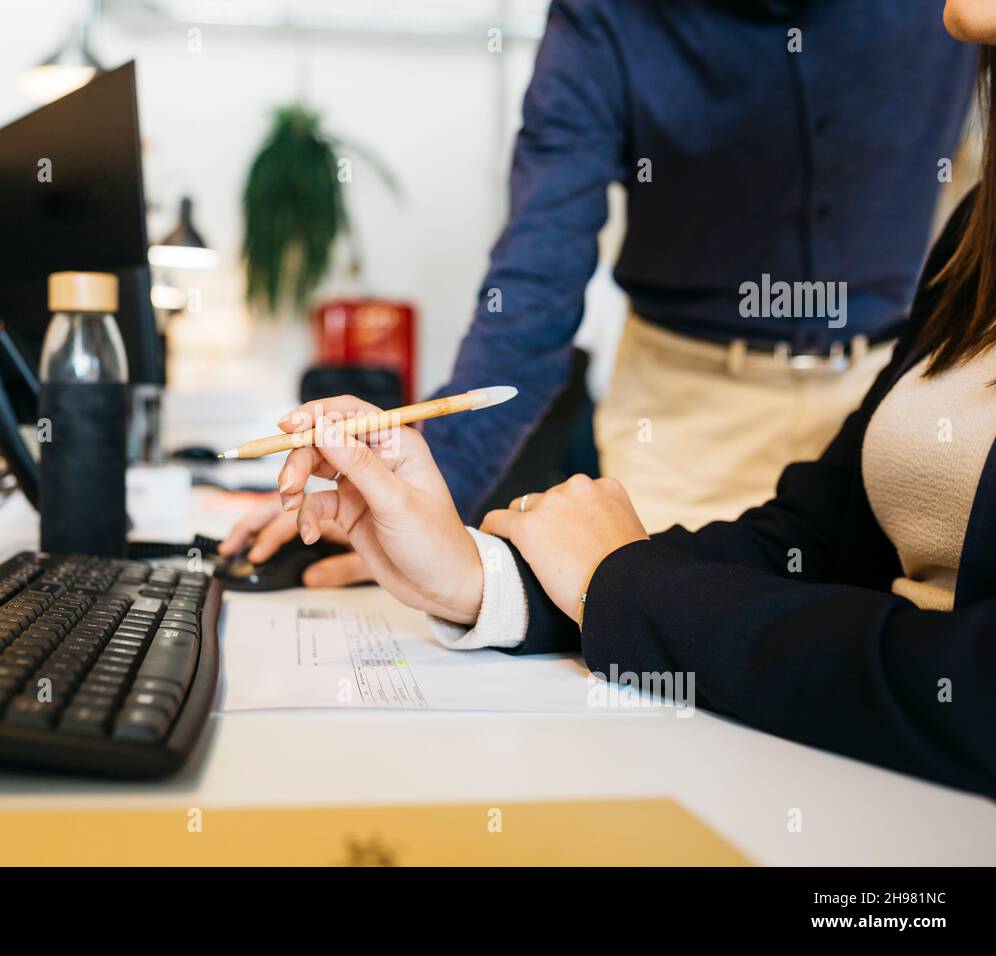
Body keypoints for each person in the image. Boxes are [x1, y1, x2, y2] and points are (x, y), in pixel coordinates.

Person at [267, 0, 996, 800]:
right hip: (699, 405)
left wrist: (624, 582)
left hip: (892, 375)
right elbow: (534, 291)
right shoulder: (608, 17)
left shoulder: (943, 22)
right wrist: (470, 561)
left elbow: (941, 684)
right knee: (655, 754)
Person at [222, 0, 976, 586]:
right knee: (651, 680)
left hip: (890, 405)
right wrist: (423, 495)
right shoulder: (606, 15)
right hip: (684, 421)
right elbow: (536, 272)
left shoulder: (951, 10)